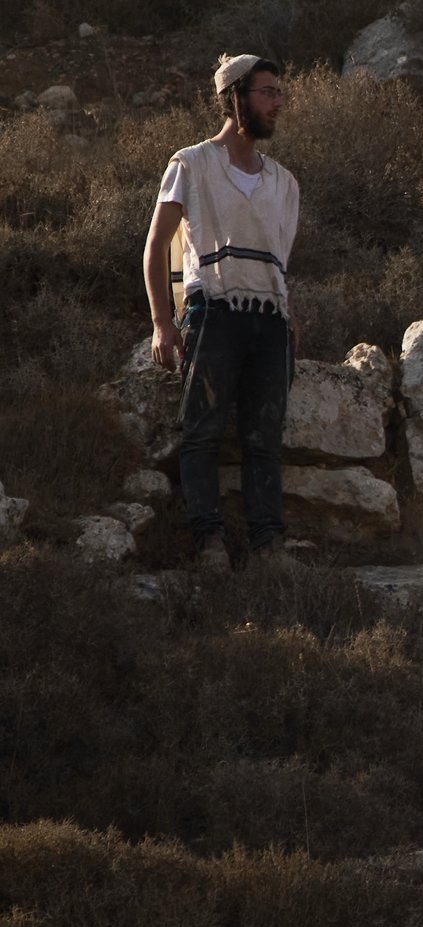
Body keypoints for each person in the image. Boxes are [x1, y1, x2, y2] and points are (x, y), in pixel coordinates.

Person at [143, 53, 300, 571]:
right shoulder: (191, 164)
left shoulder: (284, 182)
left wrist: (289, 314)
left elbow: (279, 260)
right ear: (235, 98)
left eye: (278, 93)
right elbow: (157, 245)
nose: (277, 103)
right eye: (267, 92)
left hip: (269, 322)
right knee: (202, 432)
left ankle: (269, 546)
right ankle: (208, 542)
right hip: (213, 312)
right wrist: (162, 322)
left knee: (264, 438)